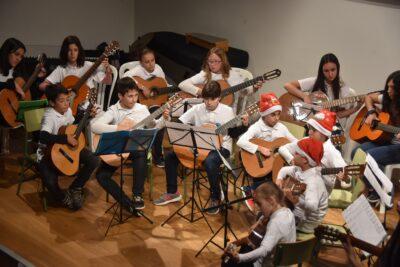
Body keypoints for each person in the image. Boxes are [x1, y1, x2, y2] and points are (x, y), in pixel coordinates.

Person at [153, 81, 248, 214]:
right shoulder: (197, 108)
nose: (208, 102)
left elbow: (232, 133)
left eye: (212, 99)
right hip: (199, 147)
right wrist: (168, 118)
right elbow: (180, 125)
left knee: (210, 161)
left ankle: (215, 198)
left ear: (219, 97)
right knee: (170, 156)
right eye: (206, 99)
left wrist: (244, 126)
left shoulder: (227, 111)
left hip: (221, 148)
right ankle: (172, 192)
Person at [92, 77, 169, 211]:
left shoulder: (142, 109)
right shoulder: (114, 110)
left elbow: (154, 127)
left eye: (135, 95)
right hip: (117, 150)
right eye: (129, 96)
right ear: (120, 96)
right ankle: (126, 203)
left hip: (134, 149)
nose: (134, 99)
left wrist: (164, 119)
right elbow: (95, 126)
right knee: (101, 176)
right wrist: (118, 128)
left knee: (141, 152)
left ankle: (137, 195)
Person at [36, 84, 100, 210]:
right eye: (61, 101)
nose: (66, 103)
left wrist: (86, 116)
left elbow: (71, 127)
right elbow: (43, 137)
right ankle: (62, 197)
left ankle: (76, 187)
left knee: (94, 160)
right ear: (52, 102)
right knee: (50, 181)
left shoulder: (68, 111)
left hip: (66, 150)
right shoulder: (49, 117)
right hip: (48, 155)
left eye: (67, 100)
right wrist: (65, 138)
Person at [237, 92, 297, 211]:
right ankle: (253, 192)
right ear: (264, 115)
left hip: (274, 166)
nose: (277, 118)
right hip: (258, 164)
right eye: (273, 115)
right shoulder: (256, 127)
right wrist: (260, 148)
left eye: (278, 114)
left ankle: (276, 204)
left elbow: (295, 141)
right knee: (267, 177)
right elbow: (241, 141)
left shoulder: (281, 128)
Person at [221, 182, 296, 267]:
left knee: (226, 262)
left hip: (269, 264)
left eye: (260, 204)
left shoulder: (276, 222)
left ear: (271, 200)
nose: (258, 208)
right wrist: (258, 221)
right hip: (283, 261)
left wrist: (239, 257)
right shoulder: (287, 212)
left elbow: (264, 250)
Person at [353, 70, 400, 203]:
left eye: (393, 88)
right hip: (387, 139)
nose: (389, 90)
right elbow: (368, 97)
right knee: (357, 153)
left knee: (372, 156)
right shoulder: (387, 98)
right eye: (388, 86)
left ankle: (385, 194)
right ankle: (372, 187)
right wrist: (371, 112)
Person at [279, 109, 349, 193]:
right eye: (309, 128)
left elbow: (347, 177)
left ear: (324, 133)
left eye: (314, 130)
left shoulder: (331, 152)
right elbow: (282, 148)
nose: (309, 132)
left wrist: (341, 179)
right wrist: (292, 160)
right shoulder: (306, 141)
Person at [284, 53, 361, 128]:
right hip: (311, 127)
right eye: (326, 71)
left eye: (333, 70)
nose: (330, 74)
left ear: (338, 68)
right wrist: (304, 96)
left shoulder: (344, 89)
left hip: (330, 128)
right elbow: (287, 85)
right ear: (321, 71)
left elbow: (338, 115)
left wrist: (357, 108)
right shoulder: (314, 81)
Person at [123, 47, 171, 167]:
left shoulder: (158, 68)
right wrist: (142, 87)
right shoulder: (138, 70)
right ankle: (152, 155)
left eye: (152, 60)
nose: (151, 64)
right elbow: (124, 77)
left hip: (155, 103)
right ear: (141, 62)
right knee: (156, 115)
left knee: (161, 115)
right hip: (140, 104)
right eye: (147, 62)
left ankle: (158, 154)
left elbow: (163, 84)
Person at [179, 47, 263, 115]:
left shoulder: (232, 75)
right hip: (206, 111)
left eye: (216, 61)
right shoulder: (206, 74)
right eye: (210, 61)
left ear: (223, 62)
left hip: (225, 112)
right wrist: (203, 92)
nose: (213, 64)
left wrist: (255, 88)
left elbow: (246, 91)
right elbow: (182, 84)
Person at [276, 138, 328, 233]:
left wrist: (296, 200)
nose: (293, 155)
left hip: (305, 222)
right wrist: (279, 179)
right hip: (298, 211)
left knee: (271, 219)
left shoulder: (313, 181)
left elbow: (312, 207)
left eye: (296, 153)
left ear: (304, 160)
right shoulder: (300, 169)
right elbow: (284, 170)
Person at [39, 35, 112, 95]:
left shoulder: (89, 66)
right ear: (65, 52)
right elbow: (42, 86)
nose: (72, 53)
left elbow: (108, 82)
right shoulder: (61, 69)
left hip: (87, 104)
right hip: (68, 107)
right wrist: (58, 90)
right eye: (69, 50)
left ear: (79, 51)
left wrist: (108, 71)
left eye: (75, 50)